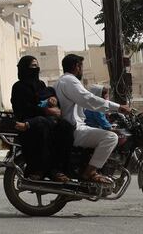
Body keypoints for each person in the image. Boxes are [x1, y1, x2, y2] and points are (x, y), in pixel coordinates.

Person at [54, 54, 131, 184]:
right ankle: (90, 172)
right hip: (74, 128)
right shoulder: (69, 81)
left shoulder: (62, 81)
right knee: (111, 137)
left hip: (70, 127)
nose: (82, 70)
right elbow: (88, 99)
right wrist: (118, 107)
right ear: (76, 66)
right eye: (81, 66)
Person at [10, 55, 73, 182]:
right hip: (29, 120)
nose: (36, 68)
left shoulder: (41, 84)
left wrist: (52, 101)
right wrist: (45, 110)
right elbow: (23, 108)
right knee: (41, 126)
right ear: (24, 68)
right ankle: (38, 169)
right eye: (33, 66)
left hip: (46, 119)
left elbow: (44, 99)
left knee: (65, 126)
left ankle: (58, 169)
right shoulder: (18, 87)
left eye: (37, 65)